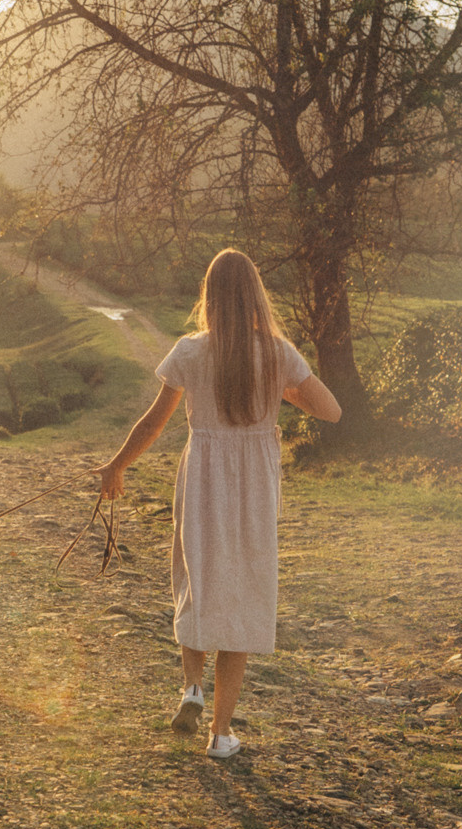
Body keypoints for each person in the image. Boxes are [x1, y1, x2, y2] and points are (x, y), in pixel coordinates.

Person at [95, 248, 341, 759]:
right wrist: (284, 392)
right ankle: (221, 734)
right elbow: (332, 411)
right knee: (244, 592)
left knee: (196, 577)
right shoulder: (276, 353)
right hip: (253, 486)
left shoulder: (190, 351)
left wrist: (116, 466)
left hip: (203, 479)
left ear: (209, 298)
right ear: (254, 295)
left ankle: (191, 687)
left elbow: (153, 423)